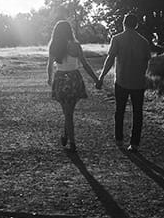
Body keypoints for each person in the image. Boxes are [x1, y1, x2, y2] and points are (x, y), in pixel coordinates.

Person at [96, 12, 154, 152]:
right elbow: (146, 62)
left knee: (120, 110)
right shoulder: (144, 41)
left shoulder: (117, 39)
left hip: (121, 80)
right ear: (136, 25)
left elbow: (110, 59)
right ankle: (134, 143)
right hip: (138, 82)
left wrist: (102, 76)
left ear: (124, 23)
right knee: (137, 112)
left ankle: (119, 139)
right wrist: (143, 75)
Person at [46, 19, 100, 152]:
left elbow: (49, 64)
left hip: (60, 79)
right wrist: (96, 79)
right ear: (70, 31)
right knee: (69, 112)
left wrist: (49, 78)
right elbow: (85, 64)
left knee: (67, 112)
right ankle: (68, 137)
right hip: (74, 79)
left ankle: (72, 141)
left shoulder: (54, 46)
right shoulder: (75, 45)